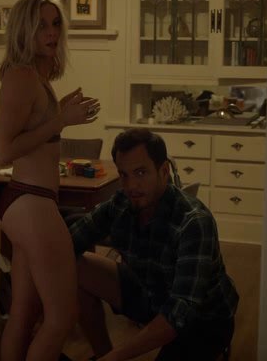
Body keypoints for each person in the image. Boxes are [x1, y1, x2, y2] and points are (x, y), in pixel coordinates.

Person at [67, 128, 238, 361]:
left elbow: (179, 313)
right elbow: (68, 244)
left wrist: (116, 357)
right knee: (73, 264)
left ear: (164, 171)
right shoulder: (121, 202)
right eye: (124, 174)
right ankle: (102, 354)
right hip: (150, 293)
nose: (131, 185)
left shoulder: (193, 222)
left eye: (140, 172)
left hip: (202, 319)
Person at [0, 0, 100, 361]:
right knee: (62, 317)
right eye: (41, 25)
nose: (52, 32)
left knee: (24, 314)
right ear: (24, 30)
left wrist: (58, 113)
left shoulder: (37, 78)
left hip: (28, 201)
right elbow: (5, 150)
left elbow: (35, 133)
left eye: (55, 24)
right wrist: (60, 121)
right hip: (31, 202)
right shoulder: (21, 77)